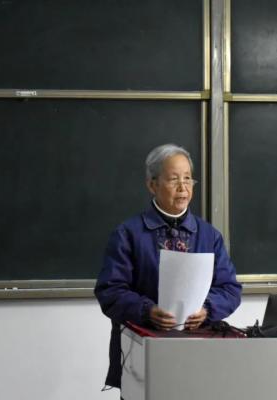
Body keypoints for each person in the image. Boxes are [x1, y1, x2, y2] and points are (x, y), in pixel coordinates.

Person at [94, 143, 242, 389]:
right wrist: (147, 311)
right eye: (174, 179)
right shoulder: (128, 233)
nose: (183, 187)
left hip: (198, 350)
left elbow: (230, 289)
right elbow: (110, 291)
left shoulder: (209, 235)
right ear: (152, 185)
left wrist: (207, 309)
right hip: (144, 350)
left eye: (188, 179)